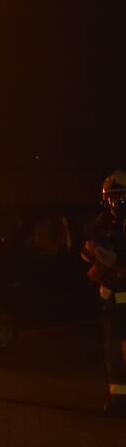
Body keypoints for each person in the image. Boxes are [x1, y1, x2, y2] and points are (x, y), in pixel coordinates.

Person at [83, 170, 126, 416]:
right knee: (113, 355)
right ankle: (119, 400)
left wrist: (117, 262)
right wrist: (93, 253)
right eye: (114, 199)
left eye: (122, 199)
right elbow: (87, 254)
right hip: (110, 302)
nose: (117, 204)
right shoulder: (102, 224)